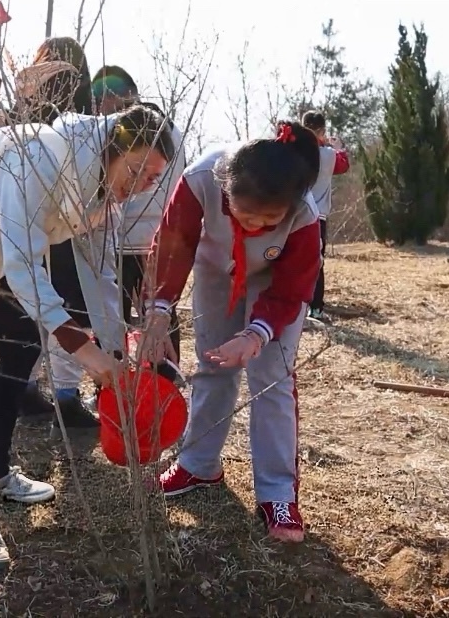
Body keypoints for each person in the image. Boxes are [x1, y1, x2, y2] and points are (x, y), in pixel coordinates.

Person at [0, 103, 175, 572]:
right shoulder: (40, 154)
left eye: (155, 177)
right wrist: (80, 348)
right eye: (141, 169)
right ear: (115, 146)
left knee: (21, 341)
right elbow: (22, 263)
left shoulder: (102, 197)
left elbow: (101, 275)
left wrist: (117, 354)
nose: (144, 183)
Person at [140, 121, 322, 544]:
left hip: (272, 281)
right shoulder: (201, 179)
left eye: (269, 218)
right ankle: (198, 464)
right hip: (215, 269)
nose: (257, 224)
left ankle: (278, 494)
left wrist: (256, 334)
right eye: (246, 213)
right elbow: (173, 244)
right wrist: (158, 311)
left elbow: (293, 287)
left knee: (271, 378)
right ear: (226, 192)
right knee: (211, 364)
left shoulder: (305, 215)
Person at [9, 37, 110, 427]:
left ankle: (34, 390)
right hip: (65, 220)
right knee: (64, 305)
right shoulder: (70, 106)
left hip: (40, 217)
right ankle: (59, 396)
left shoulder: (39, 103)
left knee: (39, 305)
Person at [92, 65, 185, 358]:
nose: (98, 107)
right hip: (157, 238)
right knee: (157, 314)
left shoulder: (128, 134)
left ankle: (119, 385)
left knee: (117, 315)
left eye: (102, 99)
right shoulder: (172, 131)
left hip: (129, 241)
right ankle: (161, 383)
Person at [299, 110, 350, 322]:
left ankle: (295, 306)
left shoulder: (293, 151)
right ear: (322, 131)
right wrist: (340, 148)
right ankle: (316, 307)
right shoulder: (328, 155)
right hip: (317, 216)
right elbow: (343, 165)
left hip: (292, 214)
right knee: (316, 263)